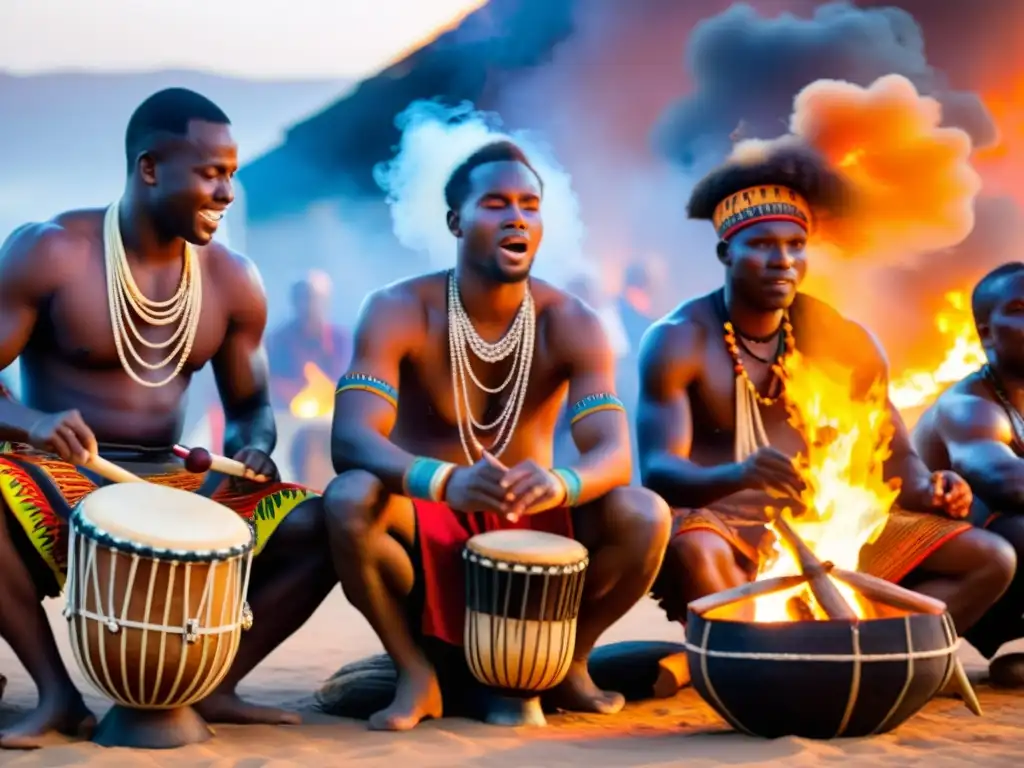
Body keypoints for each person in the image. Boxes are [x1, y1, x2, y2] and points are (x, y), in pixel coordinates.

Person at [0, 88, 334, 748]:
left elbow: (250, 411)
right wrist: (30, 422)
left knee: (325, 521)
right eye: (212, 172)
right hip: (53, 477)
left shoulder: (234, 280)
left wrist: (255, 446)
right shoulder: (51, 252)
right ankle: (57, 694)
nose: (227, 192)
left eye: (232, 174)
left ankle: (215, 684)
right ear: (150, 168)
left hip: (174, 478)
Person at [325, 140, 671, 731]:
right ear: (456, 221)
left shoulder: (574, 321)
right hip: (426, 515)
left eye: (530, 205)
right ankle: (416, 672)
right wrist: (445, 482)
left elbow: (614, 453)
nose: (517, 217)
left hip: (537, 522)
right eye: (495, 203)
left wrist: (562, 483)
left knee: (646, 514)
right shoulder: (398, 308)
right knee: (350, 498)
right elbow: (351, 440)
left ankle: (568, 662)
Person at [636, 144, 1015, 671]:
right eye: (762, 245)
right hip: (723, 525)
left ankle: (877, 660)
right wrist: (738, 474)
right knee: (696, 551)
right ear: (726, 253)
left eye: (796, 244)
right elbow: (657, 470)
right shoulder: (678, 340)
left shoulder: (843, 339)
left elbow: (896, 455)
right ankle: (756, 666)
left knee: (990, 557)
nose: (783, 261)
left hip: (835, 527)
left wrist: (932, 488)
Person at [912, 261, 1024, 687]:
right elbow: (1008, 483)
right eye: (1020, 307)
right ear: (987, 332)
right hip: (941, 577)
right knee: (1015, 524)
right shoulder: (968, 406)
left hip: (1001, 568)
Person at [266, 270, 351, 410]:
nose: (308, 306)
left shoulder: (340, 340)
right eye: (303, 298)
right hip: (287, 419)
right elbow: (270, 383)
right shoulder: (278, 340)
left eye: (314, 299)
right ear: (294, 302)